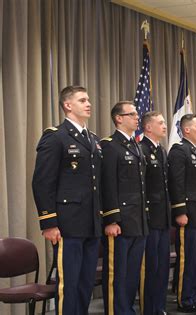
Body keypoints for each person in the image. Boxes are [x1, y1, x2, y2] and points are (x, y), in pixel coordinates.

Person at [32, 86, 102, 315]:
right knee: (68, 284)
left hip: (91, 223)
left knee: (85, 283)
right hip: (67, 224)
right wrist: (49, 222)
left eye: (89, 99)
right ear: (68, 105)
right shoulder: (56, 136)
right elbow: (42, 182)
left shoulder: (92, 139)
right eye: (83, 100)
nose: (89, 103)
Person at [100, 101, 148, 314]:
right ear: (119, 118)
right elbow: (107, 184)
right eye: (132, 114)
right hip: (121, 221)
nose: (137, 118)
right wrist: (111, 219)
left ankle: (127, 309)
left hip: (138, 219)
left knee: (131, 273)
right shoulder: (110, 145)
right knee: (117, 273)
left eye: (137, 114)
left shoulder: (135, 145)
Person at [168, 114, 196, 313]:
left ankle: (194, 295)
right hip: (189, 213)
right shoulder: (179, 151)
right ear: (187, 130)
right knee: (187, 258)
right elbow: (176, 183)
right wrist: (179, 211)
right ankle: (184, 299)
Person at [140, 111, 171, 315]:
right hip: (149, 217)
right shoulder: (141, 149)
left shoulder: (161, 151)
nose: (165, 126)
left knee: (162, 268)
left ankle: (159, 307)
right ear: (148, 127)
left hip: (163, 217)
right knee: (150, 268)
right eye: (160, 123)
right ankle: (149, 309)